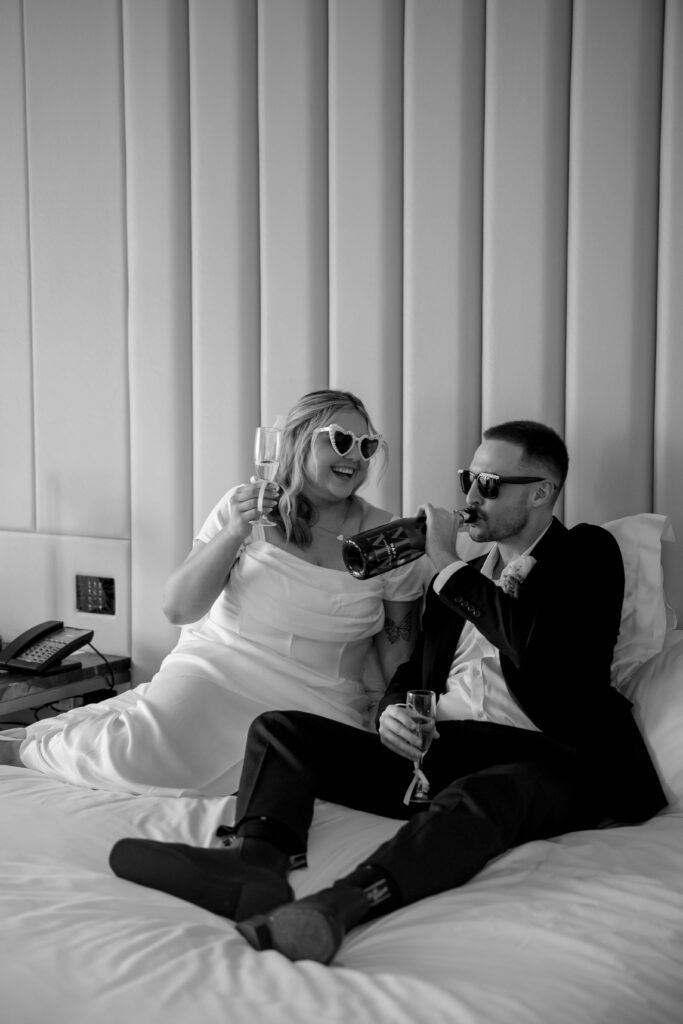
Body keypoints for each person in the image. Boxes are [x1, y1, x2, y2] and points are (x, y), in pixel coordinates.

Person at [109, 419, 667, 963]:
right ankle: (256, 866)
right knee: (282, 731)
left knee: (481, 799)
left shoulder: (586, 553)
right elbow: (411, 673)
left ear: (543, 493)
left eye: (488, 485)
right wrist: (392, 713)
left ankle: (341, 904)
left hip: (553, 758)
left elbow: (536, 646)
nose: (470, 495)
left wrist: (446, 562)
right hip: (446, 749)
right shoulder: (461, 578)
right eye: (465, 479)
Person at [0, 390, 425, 795]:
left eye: (366, 447)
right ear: (297, 441)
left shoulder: (388, 537)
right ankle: (24, 750)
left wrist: (399, 713)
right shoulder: (244, 508)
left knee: (284, 777)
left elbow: (398, 649)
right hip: (219, 673)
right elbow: (179, 608)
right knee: (140, 750)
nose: (355, 457)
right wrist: (235, 532)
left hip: (318, 700)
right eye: (341, 440)